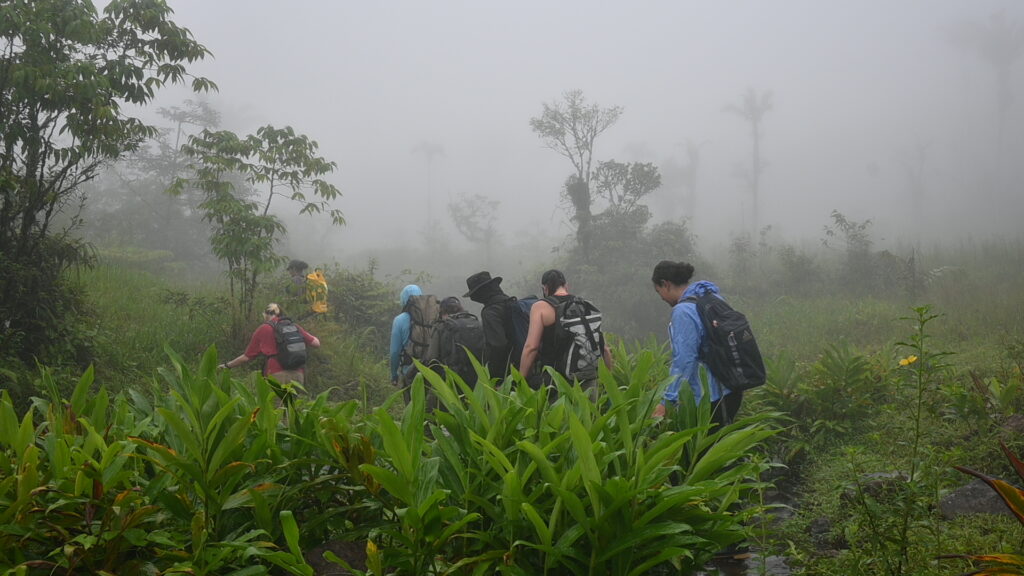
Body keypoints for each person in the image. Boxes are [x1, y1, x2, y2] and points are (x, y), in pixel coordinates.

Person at [650, 260, 742, 427]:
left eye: (659, 292)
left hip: (709, 397)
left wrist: (667, 401)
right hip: (731, 388)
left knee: (702, 451)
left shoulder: (683, 311)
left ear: (666, 284)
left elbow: (684, 359)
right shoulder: (711, 297)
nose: (662, 298)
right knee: (723, 446)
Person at [519, 269, 612, 391]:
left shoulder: (540, 307)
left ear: (545, 288)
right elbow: (603, 347)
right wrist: (608, 382)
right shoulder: (583, 304)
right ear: (566, 285)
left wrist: (519, 381)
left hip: (555, 382)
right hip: (587, 381)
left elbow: (531, 348)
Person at [219, 302, 321, 386]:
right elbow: (316, 343)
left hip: (276, 375)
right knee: (290, 409)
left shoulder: (264, 328)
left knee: (274, 410)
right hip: (298, 375)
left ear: (266, 314)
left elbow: (246, 357)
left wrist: (227, 365)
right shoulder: (294, 327)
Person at [464, 271, 515, 378]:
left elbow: (498, 345)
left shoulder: (490, 312)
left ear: (481, 292)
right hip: (523, 363)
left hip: (506, 371)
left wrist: (491, 374)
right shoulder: (511, 302)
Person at [389, 284, 424, 400]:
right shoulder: (431, 317)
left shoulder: (399, 320)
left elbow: (395, 352)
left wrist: (394, 375)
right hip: (430, 369)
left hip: (409, 371)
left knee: (412, 406)